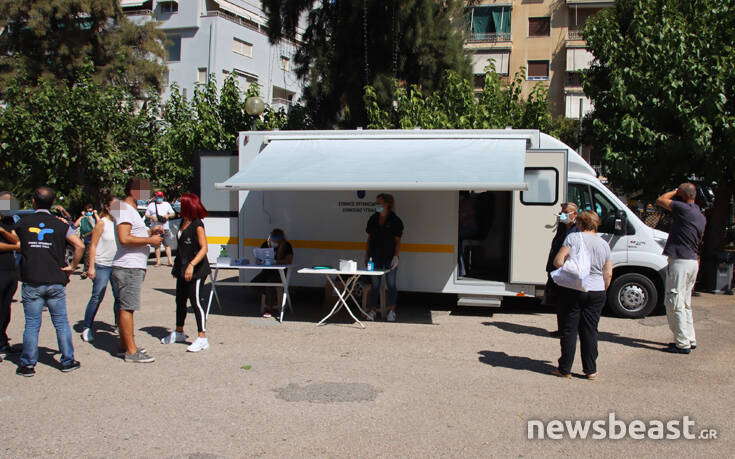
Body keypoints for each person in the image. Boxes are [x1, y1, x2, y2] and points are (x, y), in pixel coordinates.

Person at [15, 186, 85, 376]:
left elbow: (14, 240)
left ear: (33, 201)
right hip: (55, 279)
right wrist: (72, 266)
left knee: (32, 324)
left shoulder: (23, 223)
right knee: (61, 322)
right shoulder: (61, 225)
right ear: (53, 203)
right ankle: (68, 360)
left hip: (32, 279)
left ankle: (28, 364)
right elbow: (79, 245)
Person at [551, 211, 612, 379]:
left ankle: (565, 369)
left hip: (573, 289)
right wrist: (603, 288)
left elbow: (558, 261)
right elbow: (608, 272)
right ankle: (590, 369)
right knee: (590, 330)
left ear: (579, 223)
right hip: (597, 290)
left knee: (569, 329)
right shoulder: (604, 243)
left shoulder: (573, 238)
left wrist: (568, 269)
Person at [112, 177, 163, 363]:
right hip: (129, 266)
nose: (147, 195)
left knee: (125, 307)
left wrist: (150, 233)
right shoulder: (124, 209)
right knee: (128, 308)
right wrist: (150, 240)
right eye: (145, 191)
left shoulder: (127, 210)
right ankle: (131, 352)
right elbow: (124, 238)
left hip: (130, 265)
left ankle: (124, 345)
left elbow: (131, 234)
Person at [656, 183, 706, 354]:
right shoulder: (699, 214)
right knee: (685, 303)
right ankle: (689, 338)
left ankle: (682, 343)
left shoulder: (683, 208)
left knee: (674, 301)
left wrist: (675, 191)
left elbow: (661, 199)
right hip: (692, 261)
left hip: (680, 261)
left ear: (682, 195)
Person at [161, 193, 212, 352]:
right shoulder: (183, 221)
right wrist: (178, 268)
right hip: (182, 268)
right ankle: (179, 332)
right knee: (180, 300)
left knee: (196, 301)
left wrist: (191, 265)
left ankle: (202, 338)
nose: (178, 206)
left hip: (196, 269)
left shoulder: (198, 224)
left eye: (181, 203)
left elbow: (204, 248)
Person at [80, 195, 120, 342]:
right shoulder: (102, 223)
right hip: (102, 265)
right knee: (97, 296)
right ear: (108, 208)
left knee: (119, 297)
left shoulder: (120, 223)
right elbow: (93, 245)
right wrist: (91, 267)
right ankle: (87, 327)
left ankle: (119, 325)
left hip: (116, 265)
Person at [365, 193, 403, 322]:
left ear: (387, 204)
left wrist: (396, 256)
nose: (377, 205)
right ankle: (372, 310)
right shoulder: (373, 219)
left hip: (390, 256)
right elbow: (369, 239)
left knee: (391, 284)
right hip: (375, 256)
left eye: (379, 203)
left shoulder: (395, 221)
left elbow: (397, 241)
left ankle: (392, 311)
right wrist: (367, 255)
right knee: (375, 284)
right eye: (376, 203)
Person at [544, 202, 578, 336]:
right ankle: (562, 329)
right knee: (560, 302)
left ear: (575, 214)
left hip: (568, 271)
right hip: (557, 269)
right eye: (562, 212)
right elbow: (555, 248)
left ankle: (569, 331)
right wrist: (549, 268)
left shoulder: (577, 230)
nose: (563, 215)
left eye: (566, 212)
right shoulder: (562, 228)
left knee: (569, 303)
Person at [252, 229, 293, 318]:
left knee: (270, 283)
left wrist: (275, 262)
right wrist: (259, 261)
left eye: (276, 240)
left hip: (280, 273)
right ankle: (272, 302)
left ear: (281, 239)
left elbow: (289, 260)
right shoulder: (266, 244)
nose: (274, 242)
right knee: (255, 282)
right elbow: (258, 257)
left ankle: (269, 308)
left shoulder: (286, 245)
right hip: (267, 271)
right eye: (273, 239)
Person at [0, 191, 21, 357]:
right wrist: (16, 246)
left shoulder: (9, 220)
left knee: (5, 309)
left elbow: (17, 240)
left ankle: (2, 342)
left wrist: (2, 231)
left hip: (10, 270)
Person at [145, 191, 175, 267]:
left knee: (167, 245)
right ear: (155, 197)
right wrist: (152, 217)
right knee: (157, 246)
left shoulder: (166, 204)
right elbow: (146, 215)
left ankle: (170, 261)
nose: (159, 198)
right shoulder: (151, 205)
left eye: (160, 197)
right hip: (155, 228)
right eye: (158, 197)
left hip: (165, 228)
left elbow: (173, 214)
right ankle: (158, 261)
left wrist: (167, 216)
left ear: (163, 197)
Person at [75, 203, 98, 279]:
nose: (89, 212)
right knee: (86, 256)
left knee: (91, 255)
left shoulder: (94, 218)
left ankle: (88, 270)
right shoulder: (83, 218)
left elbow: (98, 223)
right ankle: (86, 270)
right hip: (86, 240)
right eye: (87, 210)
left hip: (94, 239)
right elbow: (75, 225)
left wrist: (95, 215)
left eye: (90, 210)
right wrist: (82, 216)